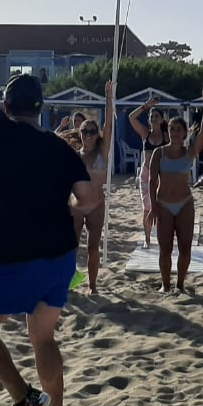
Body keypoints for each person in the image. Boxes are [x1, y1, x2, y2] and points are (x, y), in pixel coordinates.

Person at [0, 1, 101, 406]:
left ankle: (24, 401)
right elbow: (90, 199)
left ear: (8, 104)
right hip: (60, 257)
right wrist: (70, 212)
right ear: (40, 108)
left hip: (20, 258)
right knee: (42, 337)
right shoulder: (60, 148)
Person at [149, 92, 203, 293]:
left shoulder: (189, 152)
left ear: (185, 133)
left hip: (185, 203)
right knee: (165, 249)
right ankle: (165, 284)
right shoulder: (158, 153)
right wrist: (153, 207)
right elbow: (152, 181)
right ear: (167, 132)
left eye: (179, 130)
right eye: (172, 129)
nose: (175, 133)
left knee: (185, 248)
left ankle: (180, 285)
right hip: (164, 204)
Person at [74, 81, 115, 293]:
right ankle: (70, 282)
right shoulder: (74, 156)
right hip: (75, 206)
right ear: (79, 133)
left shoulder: (102, 153)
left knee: (92, 247)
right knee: (71, 248)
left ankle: (92, 286)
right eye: (85, 131)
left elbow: (109, 125)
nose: (89, 135)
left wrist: (108, 99)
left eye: (92, 131)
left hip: (97, 204)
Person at [129, 97, 167, 247]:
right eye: (151, 116)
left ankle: (162, 237)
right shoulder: (146, 134)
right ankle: (147, 239)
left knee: (161, 208)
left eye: (156, 116)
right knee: (147, 207)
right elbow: (131, 117)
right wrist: (146, 106)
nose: (153, 119)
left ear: (162, 119)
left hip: (161, 176)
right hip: (146, 174)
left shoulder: (166, 136)